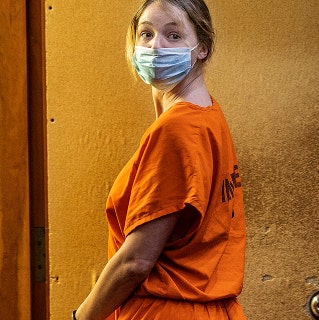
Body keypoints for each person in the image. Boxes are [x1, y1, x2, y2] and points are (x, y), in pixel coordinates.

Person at [73, 0, 246, 319]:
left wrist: (81, 317)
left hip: (167, 310)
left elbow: (135, 262)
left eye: (174, 35)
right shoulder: (208, 114)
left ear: (202, 48)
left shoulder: (177, 129)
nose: (156, 46)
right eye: (146, 34)